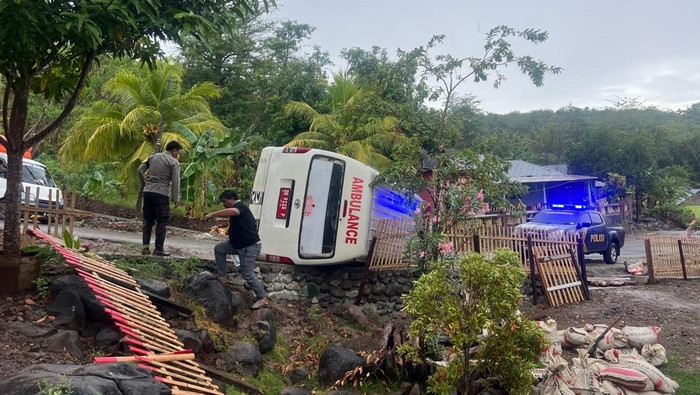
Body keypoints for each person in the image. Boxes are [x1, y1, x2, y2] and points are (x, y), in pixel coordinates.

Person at [205, 189, 269, 309]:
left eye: (224, 201)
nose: (223, 204)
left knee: (247, 274)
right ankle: (222, 277)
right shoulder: (238, 208)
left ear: (231, 199)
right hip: (237, 245)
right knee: (219, 249)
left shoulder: (240, 207)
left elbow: (233, 211)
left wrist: (212, 214)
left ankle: (262, 298)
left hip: (249, 247)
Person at [138, 141, 182, 256]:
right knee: (161, 222)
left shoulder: (152, 157)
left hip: (147, 192)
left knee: (148, 222)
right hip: (161, 194)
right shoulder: (173, 162)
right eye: (178, 152)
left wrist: (146, 181)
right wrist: (176, 198)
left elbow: (140, 170)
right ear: (174, 151)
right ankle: (158, 249)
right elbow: (176, 181)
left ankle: (145, 248)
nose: (178, 154)